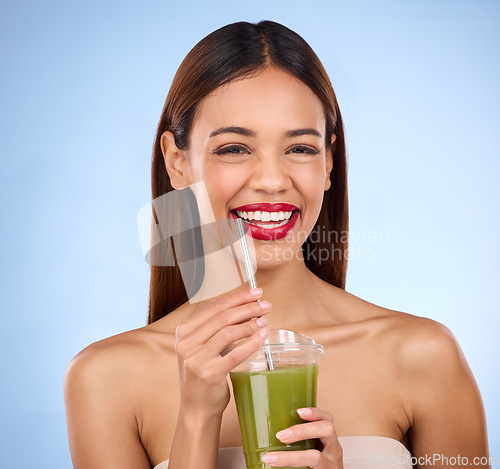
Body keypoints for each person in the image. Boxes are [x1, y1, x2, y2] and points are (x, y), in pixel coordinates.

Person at [64, 20, 490, 469]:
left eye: (301, 149)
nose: (270, 181)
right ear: (178, 163)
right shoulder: (104, 380)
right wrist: (196, 418)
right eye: (234, 148)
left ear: (328, 162)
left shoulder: (425, 357)